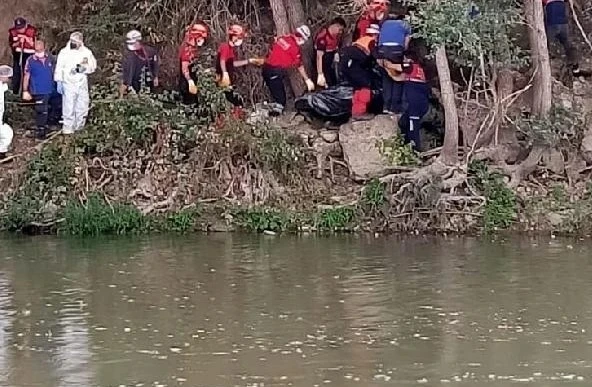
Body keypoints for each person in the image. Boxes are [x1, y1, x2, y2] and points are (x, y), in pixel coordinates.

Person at [262, 25, 315, 114]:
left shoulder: (283, 38)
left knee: (274, 91)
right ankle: (277, 115)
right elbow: (300, 66)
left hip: (266, 67)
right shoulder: (294, 48)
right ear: (301, 38)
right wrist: (307, 80)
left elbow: (274, 46)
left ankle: (272, 107)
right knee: (280, 99)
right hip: (274, 70)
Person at [215, 24, 264, 118]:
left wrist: (249, 61)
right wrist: (225, 74)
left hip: (226, 77)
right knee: (233, 100)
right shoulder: (225, 47)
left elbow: (232, 64)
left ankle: (234, 118)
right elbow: (222, 61)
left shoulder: (231, 49)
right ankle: (232, 119)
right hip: (222, 78)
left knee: (233, 99)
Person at [54, 31, 97, 135]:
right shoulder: (64, 52)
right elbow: (59, 67)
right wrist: (59, 81)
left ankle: (79, 128)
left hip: (81, 82)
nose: (73, 43)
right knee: (68, 107)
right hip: (68, 83)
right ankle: (68, 130)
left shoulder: (86, 52)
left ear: (80, 42)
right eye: (72, 41)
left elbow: (93, 66)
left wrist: (83, 69)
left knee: (82, 105)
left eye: (76, 41)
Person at [339, 24, 381, 120]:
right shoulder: (371, 41)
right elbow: (375, 55)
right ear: (375, 34)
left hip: (346, 65)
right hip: (354, 64)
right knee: (366, 85)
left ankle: (355, 112)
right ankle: (361, 112)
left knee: (357, 87)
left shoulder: (361, 40)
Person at [376, 6, 412, 114]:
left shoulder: (383, 24)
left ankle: (386, 107)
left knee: (386, 79)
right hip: (395, 51)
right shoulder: (405, 25)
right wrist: (404, 52)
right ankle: (395, 108)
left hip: (381, 51)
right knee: (397, 77)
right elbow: (406, 44)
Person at [22, 40, 61, 139]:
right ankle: (41, 131)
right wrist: (25, 90)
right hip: (39, 90)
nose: (38, 49)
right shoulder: (30, 60)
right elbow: (26, 75)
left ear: (44, 47)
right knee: (41, 111)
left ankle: (52, 125)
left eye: (40, 46)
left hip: (52, 89)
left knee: (56, 107)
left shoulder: (51, 59)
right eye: (36, 47)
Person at [399, 51, 430, 151]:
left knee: (413, 127)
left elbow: (400, 68)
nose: (403, 61)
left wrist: (386, 65)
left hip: (415, 104)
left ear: (409, 60)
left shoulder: (410, 66)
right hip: (421, 102)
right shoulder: (419, 69)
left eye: (404, 58)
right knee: (403, 122)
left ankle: (415, 149)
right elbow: (398, 77)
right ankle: (406, 143)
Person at [543, 0, 580, 75]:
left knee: (546, 45)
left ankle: (547, 69)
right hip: (563, 23)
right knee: (568, 44)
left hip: (553, 24)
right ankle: (575, 66)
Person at [120, 30, 160, 97]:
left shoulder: (150, 51)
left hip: (147, 81)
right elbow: (126, 68)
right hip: (133, 82)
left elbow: (155, 64)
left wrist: (155, 76)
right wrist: (125, 82)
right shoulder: (128, 54)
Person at [179, 23, 209, 105]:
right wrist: (190, 81)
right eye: (201, 38)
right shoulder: (187, 51)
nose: (202, 41)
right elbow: (184, 68)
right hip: (188, 85)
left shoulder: (195, 50)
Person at [8, 17, 37, 95]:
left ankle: (28, 93)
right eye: (18, 29)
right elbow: (11, 44)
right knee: (16, 73)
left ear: (26, 25)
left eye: (21, 28)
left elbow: (37, 45)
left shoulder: (33, 31)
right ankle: (15, 93)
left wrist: (27, 40)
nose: (20, 30)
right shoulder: (12, 32)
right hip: (18, 55)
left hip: (29, 55)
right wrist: (18, 42)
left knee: (27, 74)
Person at [314, 17, 346, 88]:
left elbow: (337, 45)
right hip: (324, 59)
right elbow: (319, 57)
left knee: (334, 78)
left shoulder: (337, 36)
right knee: (328, 81)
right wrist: (320, 73)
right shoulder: (323, 37)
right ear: (335, 26)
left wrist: (336, 53)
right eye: (340, 29)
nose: (340, 32)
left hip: (332, 56)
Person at [0, 66, 14, 159]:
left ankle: (2, 152)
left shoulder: (2, 85)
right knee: (7, 134)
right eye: (8, 77)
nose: (9, 79)